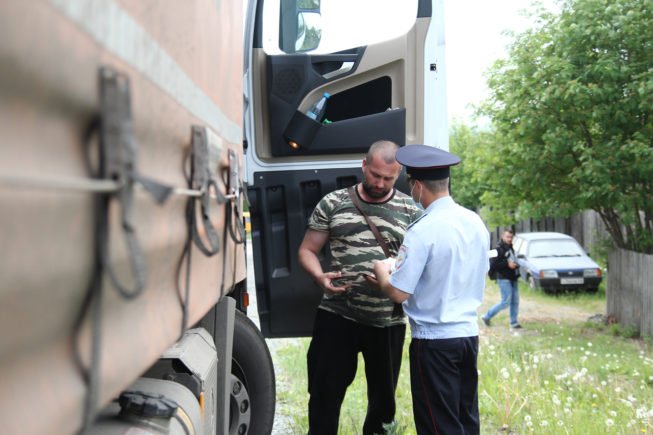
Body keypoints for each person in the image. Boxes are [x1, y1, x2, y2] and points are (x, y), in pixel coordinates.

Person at [298, 140, 422, 435]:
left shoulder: (410, 210)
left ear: (399, 174)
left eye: (388, 178)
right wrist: (319, 277)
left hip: (386, 321)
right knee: (324, 394)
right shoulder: (334, 202)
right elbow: (307, 250)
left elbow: (419, 263)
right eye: (375, 175)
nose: (379, 183)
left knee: (382, 403)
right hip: (337, 314)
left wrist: (391, 275)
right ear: (364, 165)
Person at [373, 144, 489, 435]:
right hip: (466, 336)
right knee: (465, 420)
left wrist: (382, 272)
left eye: (411, 185)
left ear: (418, 186)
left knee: (438, 425)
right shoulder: (475, 222)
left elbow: (399, 292)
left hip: (434, 342)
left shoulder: (423, 230)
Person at [481, 230, 521, 329]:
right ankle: (486, 316)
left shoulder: (511, 248)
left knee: (515, 301)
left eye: (511, 237)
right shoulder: (497, 249)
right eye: (507, 237)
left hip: (513, 278)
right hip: (503, 278)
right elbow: (492, 264)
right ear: (502, 236)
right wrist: (507, 264)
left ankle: (514, 322)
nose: (509, 239)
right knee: (505, 301)